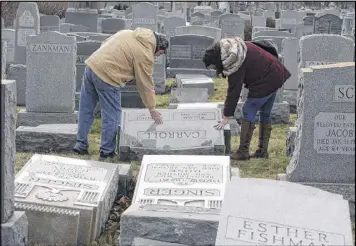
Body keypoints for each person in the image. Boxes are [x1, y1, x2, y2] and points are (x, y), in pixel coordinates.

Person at [73, 28, 169, 159]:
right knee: (112, 114)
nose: (158, 56)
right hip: (108, 76)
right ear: (158, 47)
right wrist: (152, 108)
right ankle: (107, 151)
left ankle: (80, 145)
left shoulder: (127, 33)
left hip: (92, 65)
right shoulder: (146, 53)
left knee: (86, 109)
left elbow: (106, 43)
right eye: (160, 53)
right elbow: (146, 84)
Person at [203, 36, 291, 161]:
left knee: (248, 109)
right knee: (265, 112)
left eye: (213, 65)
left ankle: (243, 151)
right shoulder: (236, 47)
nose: (214, 68)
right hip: (276, 73)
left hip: (266, 79)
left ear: (218, 59)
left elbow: (234, 91)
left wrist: (226, 116)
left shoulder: (234, 62)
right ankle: (262, 151)